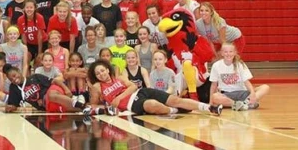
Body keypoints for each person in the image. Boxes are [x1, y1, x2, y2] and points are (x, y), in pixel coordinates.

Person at [88, 59, 222, 116]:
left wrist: (119, 97)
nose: (101, 74)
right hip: (131, 104)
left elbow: (133, 86)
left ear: (107, 69)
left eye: (102, 70)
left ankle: (209, 108)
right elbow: (93, 104)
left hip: (141, 92)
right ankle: (175, 110)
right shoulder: (97, 86)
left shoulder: (120, 77)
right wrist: (108, 106)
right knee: (152, 104)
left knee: (175, 99)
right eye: (98, 73)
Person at [3, 65, 88, 114]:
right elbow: (14, 105)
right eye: (11, 79)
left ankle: (81, 105)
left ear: (19, 71)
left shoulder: (35, 77)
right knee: (54, 130)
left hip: (54, 91)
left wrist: (66, 89)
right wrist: (10, 108)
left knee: (51, 95)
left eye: (14, 75)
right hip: (46, 104)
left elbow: (54, 81)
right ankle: (86, 108)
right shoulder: (14, 88)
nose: (14, 79)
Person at [209, 43, 269, 110]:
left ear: (235, 52)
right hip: (226, 95)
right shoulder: (216, 65)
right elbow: (213, 85)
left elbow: (246, 82)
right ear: (222, 53)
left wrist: (252, 93)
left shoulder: (240, 64)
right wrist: (210, 102)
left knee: (265, 87)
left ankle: (245, 103)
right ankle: (240, 105)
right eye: (226, 52)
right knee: (215, 97)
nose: (228, 54)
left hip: (242, 92)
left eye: (231, 51)